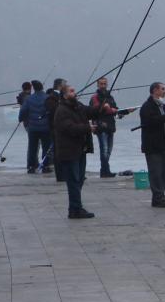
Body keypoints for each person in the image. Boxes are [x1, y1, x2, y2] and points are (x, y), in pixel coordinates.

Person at [52, 84, 112, 219]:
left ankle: (75, 207)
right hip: (69, 151)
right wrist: (87, 128)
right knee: (73, 181)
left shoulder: (77, 106)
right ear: (65, 95)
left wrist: (102, 106)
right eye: (72, 91)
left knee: (79, 180)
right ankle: (75, 209)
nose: (75, 93)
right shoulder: (61, 110)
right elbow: (69, 128)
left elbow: (91, 111)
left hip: (80, 150)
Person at [139, 82, 165, 208]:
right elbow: (151, 122)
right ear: (155, 90)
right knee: (156, 173)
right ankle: (158, 198)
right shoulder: (147, 106)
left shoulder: (163, 106)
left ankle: (159, 197)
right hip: (153, 146)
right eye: (163, 89)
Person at [89, 77, 128, 178]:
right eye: (101, 84)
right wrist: (107, 108)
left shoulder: (110, 97)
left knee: (109, 150)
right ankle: (105, 171)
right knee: (104, 150)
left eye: (105, 84)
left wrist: (126, 111)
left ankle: (105, 170)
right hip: (101, 127)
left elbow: (115, 110)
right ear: (97, 85)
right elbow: (95, 110)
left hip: (110, 126)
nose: (103, 86)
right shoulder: (95, 97)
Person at [20, 81, 51, 173]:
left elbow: (23, 111)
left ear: (34, 88)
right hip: (45, 127)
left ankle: (31, 166)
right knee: (46, 147)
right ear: (42, 87)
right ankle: (45, 166)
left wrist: (20, 119)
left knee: (32, 147)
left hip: (33, 127)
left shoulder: (29, 99)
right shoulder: (47, 98)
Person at [46, 78, 65, 181]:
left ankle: (65, 173)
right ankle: (60, 175)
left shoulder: (61, 96)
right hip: (56, 128)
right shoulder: (52, 98)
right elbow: (53, 112)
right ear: (59, 86)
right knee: (58, 151)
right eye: (64, 85)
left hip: (63, 128)